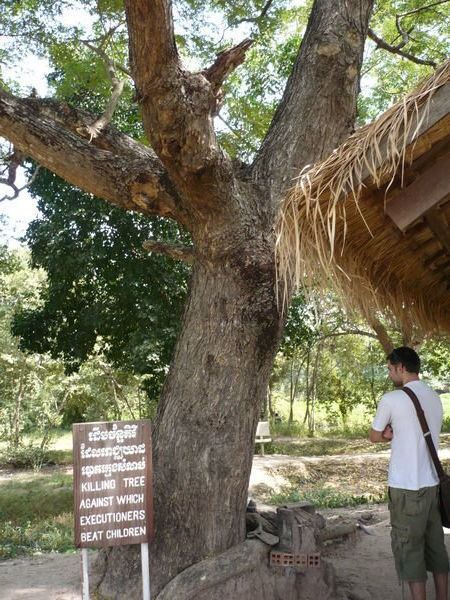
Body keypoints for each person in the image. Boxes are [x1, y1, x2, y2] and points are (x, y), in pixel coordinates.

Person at [370, 346, 449, 600]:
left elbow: (374, 435)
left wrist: (386, 435)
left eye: (391, 369)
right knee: (437, 549)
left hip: (405, 488)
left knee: (409, 551)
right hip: (432, 486)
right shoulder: (435, 397)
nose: (390, 374)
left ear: (401, 367)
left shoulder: (391, 399)